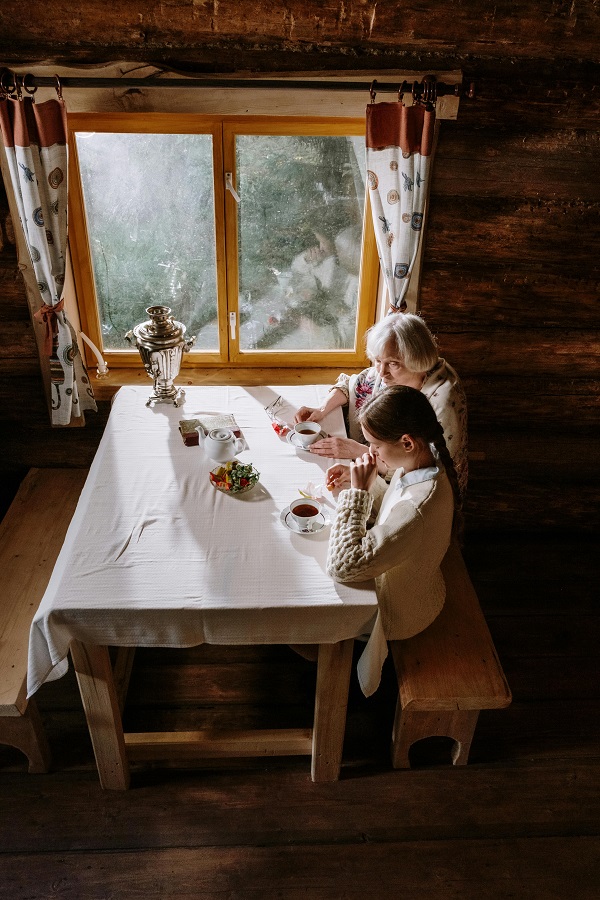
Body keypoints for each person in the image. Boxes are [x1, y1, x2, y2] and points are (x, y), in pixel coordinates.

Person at [325, 385, 461, 697]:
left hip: (398, 612)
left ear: (407, 442)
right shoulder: (425, 461)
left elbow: (343, 566)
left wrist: (357, 495)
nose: (368, 452)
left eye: (373, 445)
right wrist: (367, 482)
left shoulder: (419, 508)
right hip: (414, 581)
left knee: (311, 608)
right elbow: (393, 507)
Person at [294, 312, 468, 498]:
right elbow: (355, 385)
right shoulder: (392, 373)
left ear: (417, 360)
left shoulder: (441, 403)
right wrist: (322, 409)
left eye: (393, 363)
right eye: (377, 360)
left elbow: (424, 472)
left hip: (417, 492)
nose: (382, 372)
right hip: (382, 464)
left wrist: (358, 452)